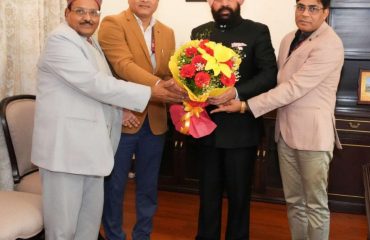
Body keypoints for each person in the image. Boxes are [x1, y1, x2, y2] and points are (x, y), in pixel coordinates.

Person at [31, 0, 185, 239]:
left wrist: (122, 108)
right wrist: (150, 91)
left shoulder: (90, 43)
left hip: (90, 150)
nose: (88, 18)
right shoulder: (60, 40)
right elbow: (96, 84)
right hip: (65, 152)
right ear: (66, 13)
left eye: (93, 13)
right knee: (63, 230)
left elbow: (99, 89)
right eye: (80, 11)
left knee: (88, 227)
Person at [211, 0, 344, 239]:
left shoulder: (330, 44)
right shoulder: (289, 39)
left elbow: (292, 88)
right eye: (300, 6)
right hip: (285, 132)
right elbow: (276, 80)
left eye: (313, 8)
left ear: (325, 12)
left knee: (315, 205)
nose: (304, 13)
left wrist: (244, 105)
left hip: (312, 137)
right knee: (294, 201)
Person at [191, 0, 277, 239]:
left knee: (239, 199)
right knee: (207, 196)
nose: (224, 4)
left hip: (241, 130)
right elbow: (191, 74)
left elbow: (270, 74)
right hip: (206, 130)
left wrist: (236, 92)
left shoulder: (257, 30)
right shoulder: (199, 32)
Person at [97, 0, 179, 239]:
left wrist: (178, 85)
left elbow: (166, 72)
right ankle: (114, 235)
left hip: (154, 120)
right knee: (114, 185)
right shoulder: (113, 23)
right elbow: (122, 66)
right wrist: (158, 85)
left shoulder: (167, 31)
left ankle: (143, 234)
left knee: (148, 186)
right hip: (123, 116)